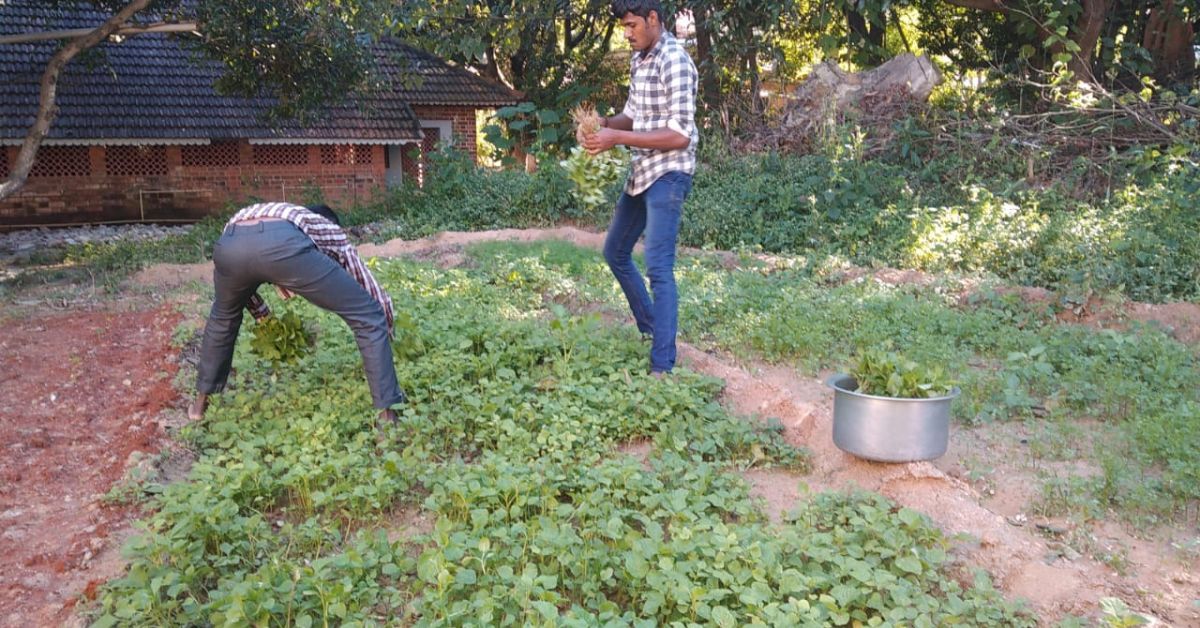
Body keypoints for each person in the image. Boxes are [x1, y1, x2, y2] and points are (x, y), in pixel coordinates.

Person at [189, 202, 406, 424]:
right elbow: (365, 283)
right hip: (283, 244)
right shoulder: (327, 228)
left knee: (223, 318)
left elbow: (243, 279)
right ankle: (387, 416)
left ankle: (199, 405)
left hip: (229, 244)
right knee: (367, 315)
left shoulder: (269, 214)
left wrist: (264, 316)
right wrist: (383, 317)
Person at [580, 0, 698, 376]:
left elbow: (680, 135)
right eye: (623, 28)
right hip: (642, 169)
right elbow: (632, 116)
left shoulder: (675, 61)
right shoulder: (640, 59)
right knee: (615, 251)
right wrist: (602, 124)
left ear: (653, 19)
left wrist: (616, 137)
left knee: (658, 266)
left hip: (670, 172)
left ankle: (662, 367)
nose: (627, 34)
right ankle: (652, 328)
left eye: (632, 26)